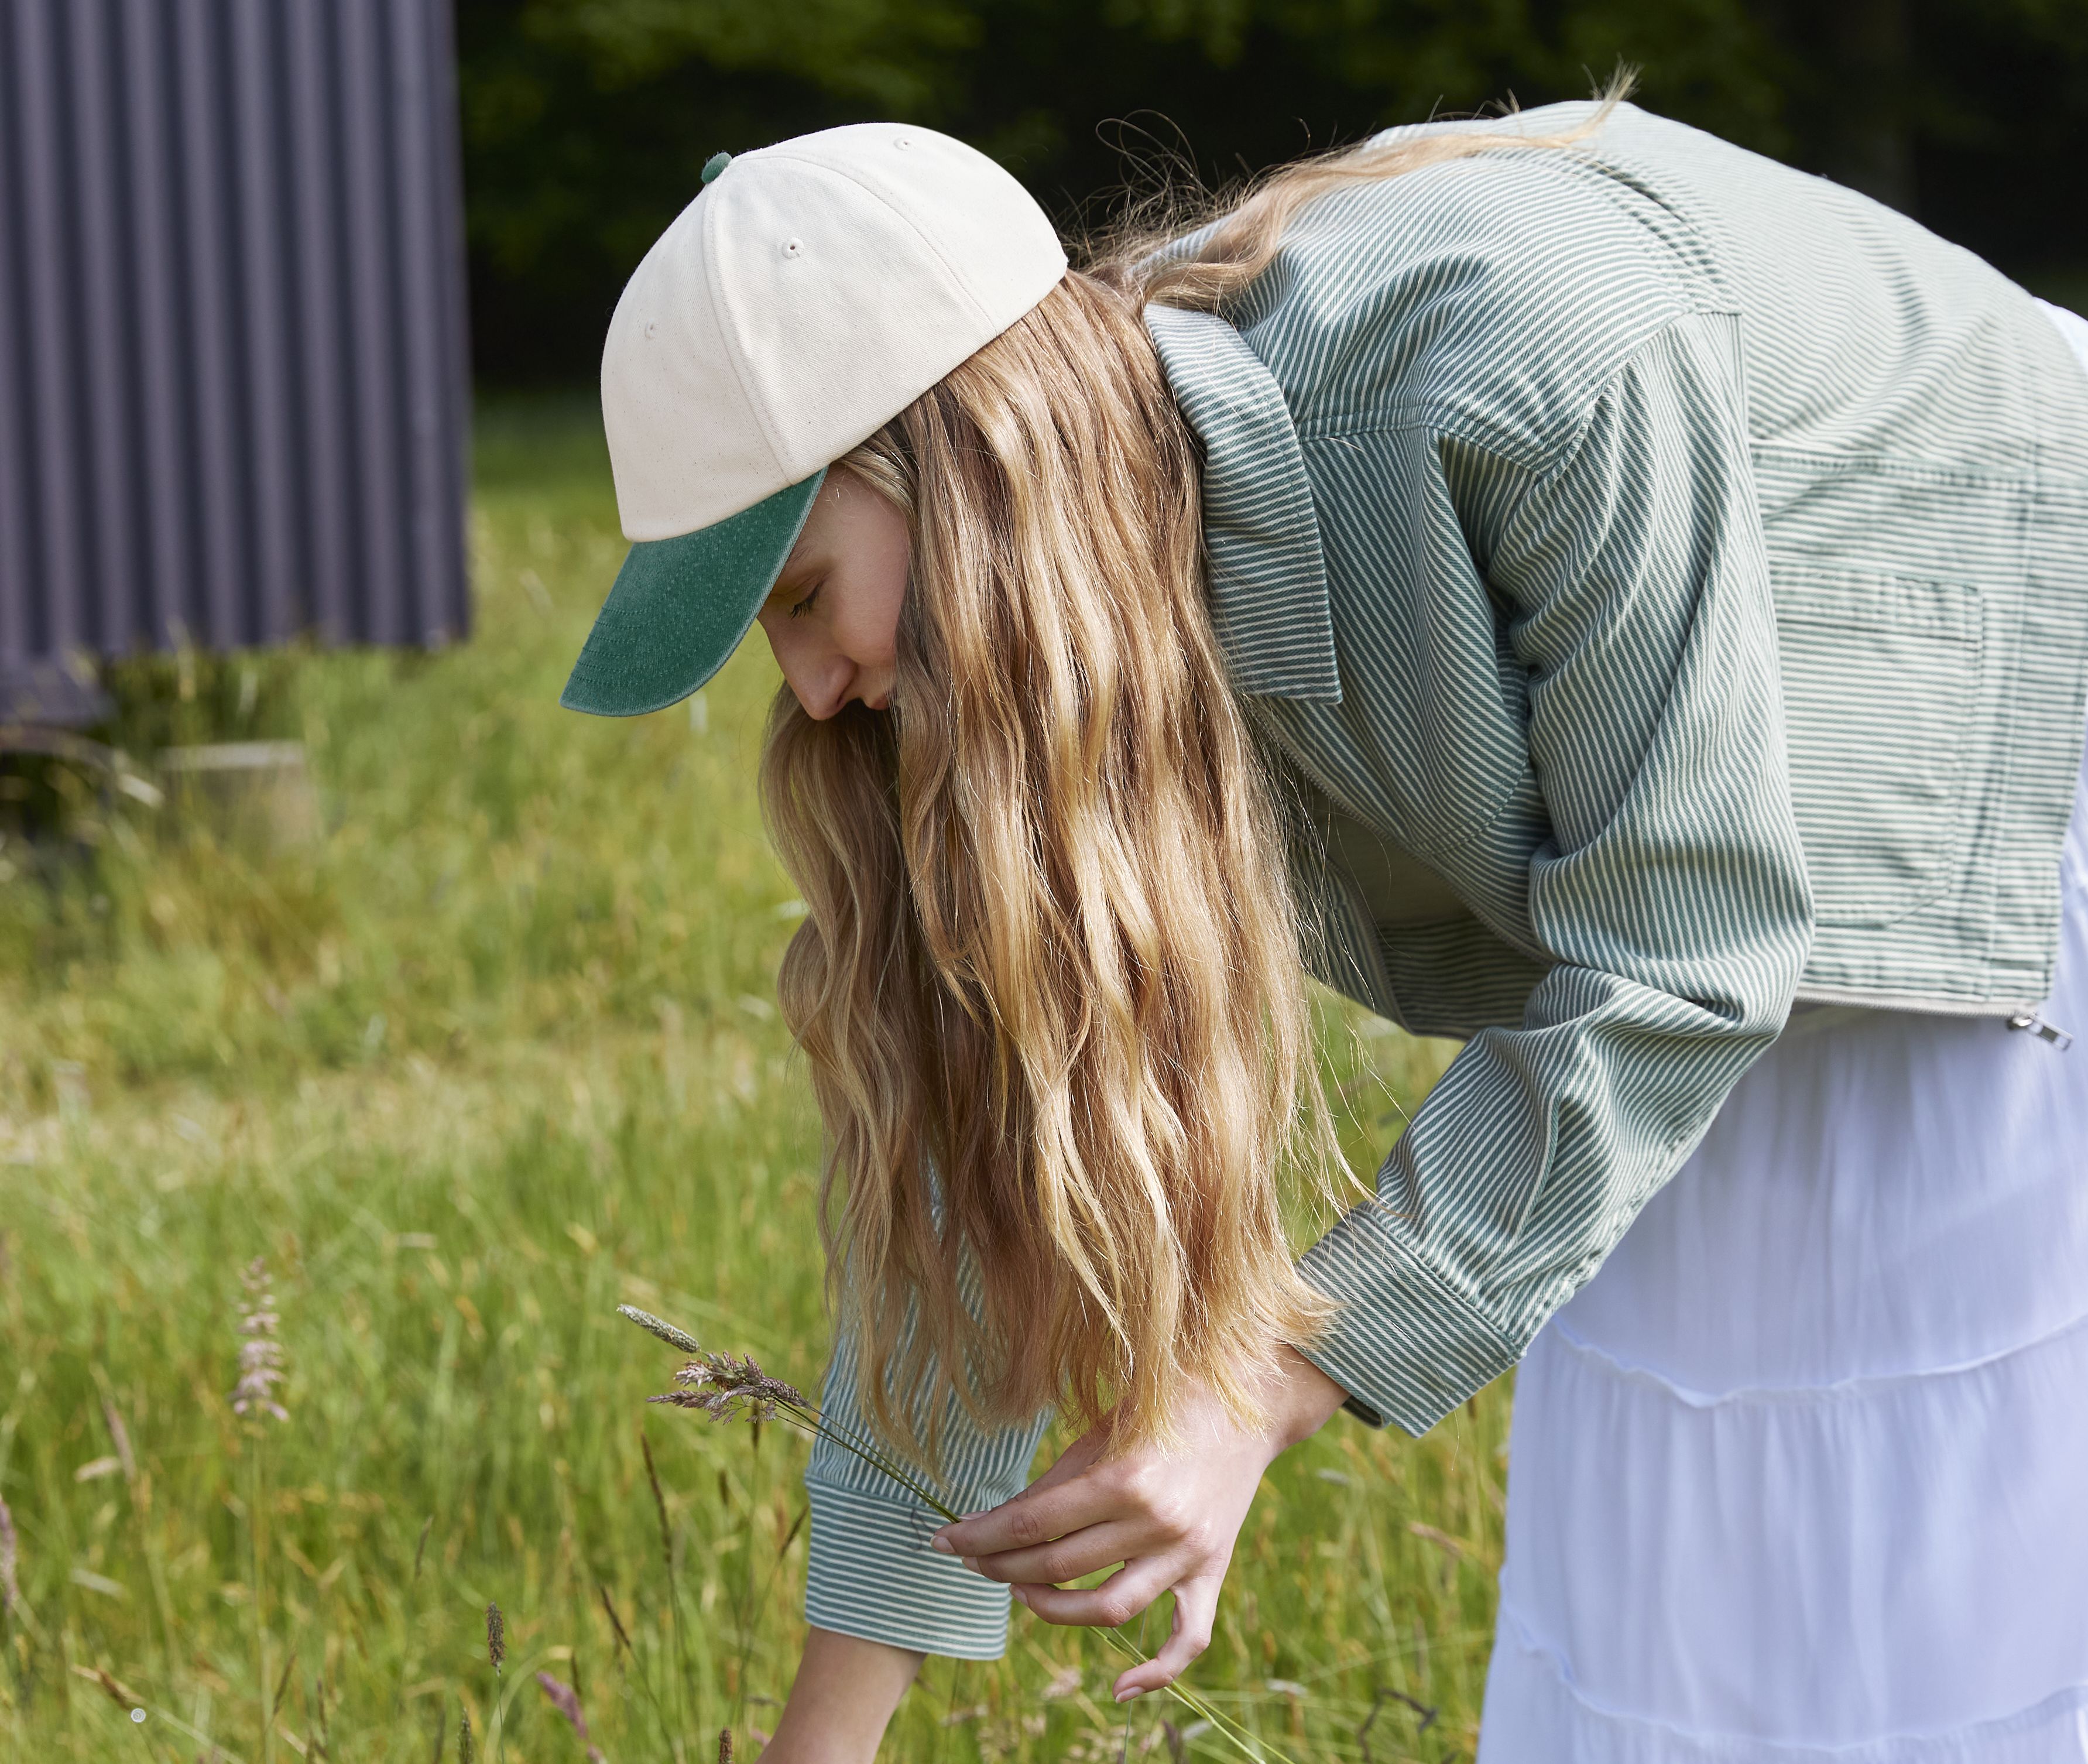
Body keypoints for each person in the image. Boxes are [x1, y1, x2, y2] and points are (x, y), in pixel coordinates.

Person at [560, 94, 2088, 1761]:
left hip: (2021, 785)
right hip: (1726, 926)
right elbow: (966, 1170)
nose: (809, 686)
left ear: (960, 465)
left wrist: (1256, 1386)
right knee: (1686, 1592)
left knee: (1956, 1567)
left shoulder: (1513, 357)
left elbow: (1688, 952)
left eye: (797, 596)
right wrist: (823, 1746)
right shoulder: (1067, 627)